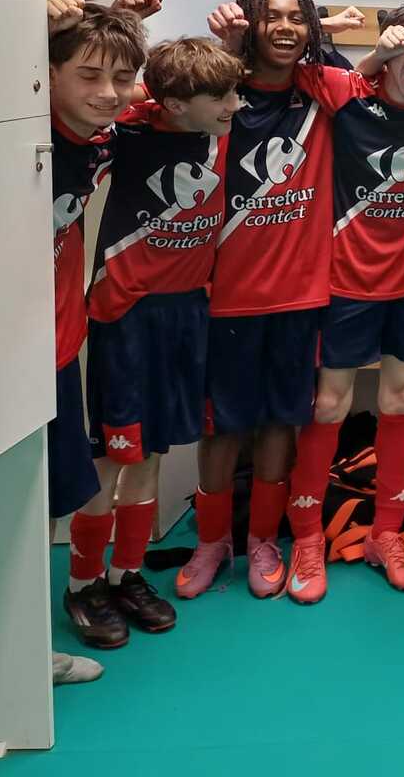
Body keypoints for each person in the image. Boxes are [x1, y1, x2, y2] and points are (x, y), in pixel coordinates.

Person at [63, 36, 242, 645]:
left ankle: (126, 574)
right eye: (219, 96)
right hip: (127, 317)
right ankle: (84, 584)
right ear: (173, 103)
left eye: (233, 92)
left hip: (187, 313)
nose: (233, 105)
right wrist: (143, 92)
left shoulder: (221, 133)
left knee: (152, 455)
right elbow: (108, 104)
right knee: (110, 456)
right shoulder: (129, 135)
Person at [282, 7, 404, 603]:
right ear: (387, 51)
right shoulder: (348, 94)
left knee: (403, 399)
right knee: (329, 404)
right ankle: (307, 537)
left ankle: (388, 533)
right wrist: (358, 45)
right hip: (349, 281)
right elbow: (291, 61)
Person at [177, 0, 352, 599]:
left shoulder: (320, 90)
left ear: (311, 29)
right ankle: (211, 542)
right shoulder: (219, 96)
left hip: (301, 295)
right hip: (228, 295)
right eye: (271, 17)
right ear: (250, 25)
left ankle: (261, 540)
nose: (284, 27)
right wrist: (224, 50)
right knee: (222, 427)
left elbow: (381, 84)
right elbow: (160, 99)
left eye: (296, 18)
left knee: (281, 421)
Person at [44, 0, 154, 663]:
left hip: (58, 343)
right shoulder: (20, 131)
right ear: (46, 72)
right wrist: (36, 24)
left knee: (44, 503)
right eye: (88, 76)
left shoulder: (105, 138)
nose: (109, 93)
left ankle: (25, 650)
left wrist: (114, 22)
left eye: (120, 77)